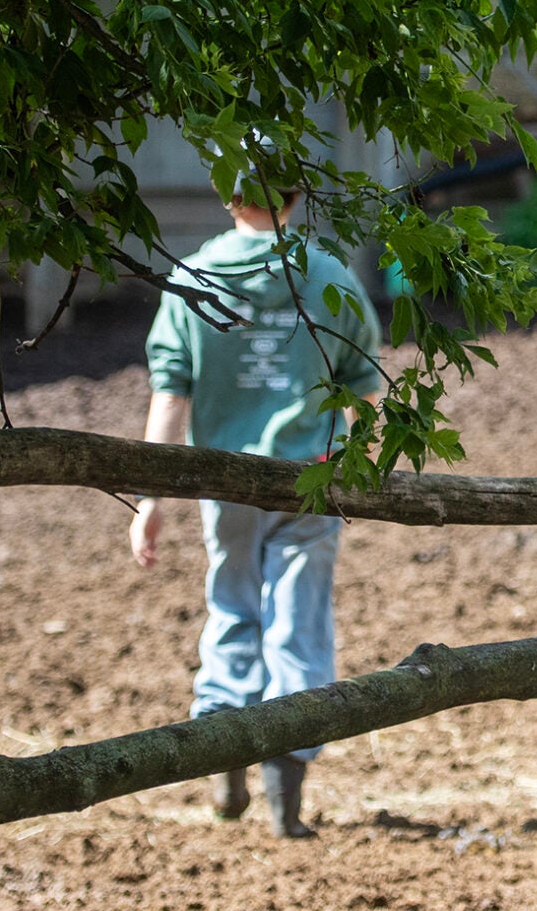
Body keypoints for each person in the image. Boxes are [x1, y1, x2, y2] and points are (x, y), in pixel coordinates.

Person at [130, 181, 383, 837]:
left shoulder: (195, 277)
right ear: (295, 196)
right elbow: (363, 384)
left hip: (225, 480)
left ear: (224, 194)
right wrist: (362, 466)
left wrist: (150, 494)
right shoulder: (327, 275)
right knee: (296, 621)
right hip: (310, 479)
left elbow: (170, 388)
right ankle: (286, 804)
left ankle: (227, 780)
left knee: (233, 607)